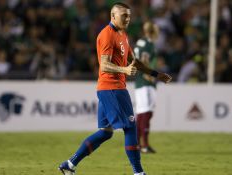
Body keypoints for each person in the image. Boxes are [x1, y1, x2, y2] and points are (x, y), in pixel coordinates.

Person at [58, 2, 172, 175]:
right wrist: (124, 70)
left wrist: (156, 74)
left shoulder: (123, 35)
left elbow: (134, 62)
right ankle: (139, 172)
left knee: (105, 133)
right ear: (113, 16)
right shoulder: (106, 35)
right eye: (124, 15)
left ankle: (69, 164)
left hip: (108, 89)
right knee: (130, 127)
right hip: (113, 88)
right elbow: (104, 64)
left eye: (129, 16)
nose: (128, 19)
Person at [134, 21, 159, 153]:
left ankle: (138, 144)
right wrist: (149, 76)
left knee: (142, 113)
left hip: (141, 82)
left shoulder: (140, 42)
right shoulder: (149, 45)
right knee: (146, 113)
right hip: (145, 83)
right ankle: (143, 145)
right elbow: (143, 61)